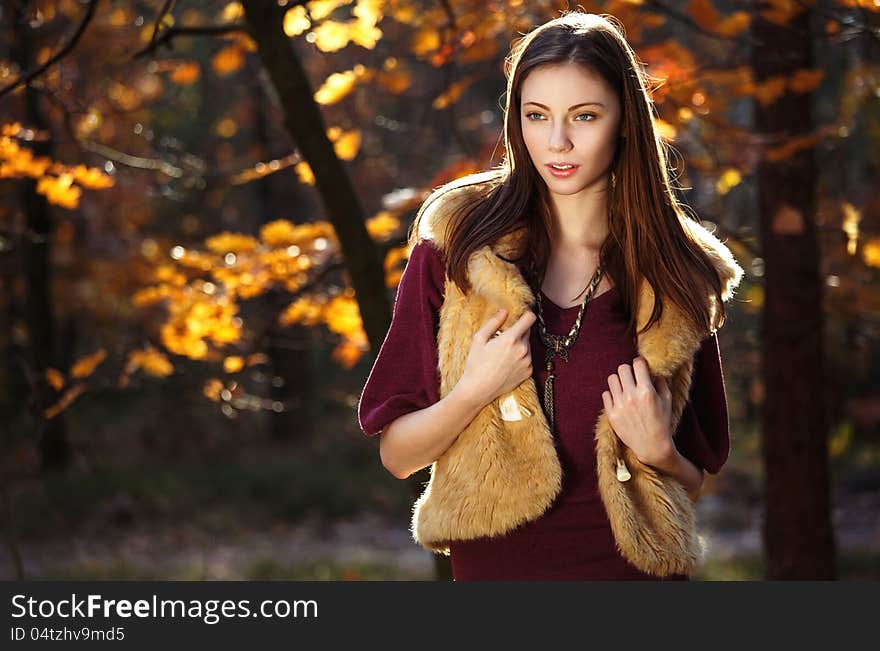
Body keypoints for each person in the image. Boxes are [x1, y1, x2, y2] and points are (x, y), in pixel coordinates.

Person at [358, 11, 743, 581]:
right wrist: (473, 392)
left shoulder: (678, 271)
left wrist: (659, 450)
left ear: (625, 123)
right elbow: (397, 455)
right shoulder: (457, 252)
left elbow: (692, 477)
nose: (557, 142)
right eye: (537, 116)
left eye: (584, 116)